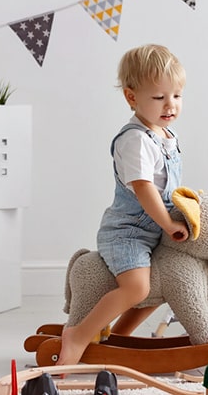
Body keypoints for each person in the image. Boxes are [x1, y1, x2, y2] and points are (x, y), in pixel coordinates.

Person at [59, 44, 193, 366]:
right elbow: (145, 190)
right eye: (159, 97)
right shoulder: (135, 140)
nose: (170, 105)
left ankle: (121, 338)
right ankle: (79, 334)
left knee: (165, 285)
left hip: (153, 230)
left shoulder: (165, 135)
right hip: (128, 233)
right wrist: (168, 224)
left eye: (176, 95)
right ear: (132, 97)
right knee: (137, 288)